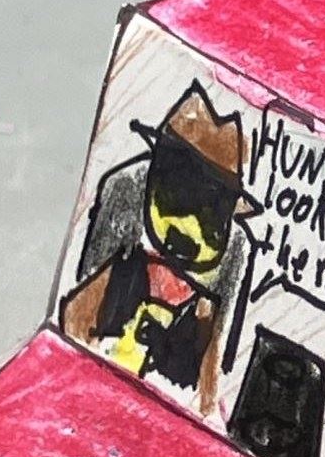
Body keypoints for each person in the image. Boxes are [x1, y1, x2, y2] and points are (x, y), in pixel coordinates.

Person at [59, 84, 257, 411]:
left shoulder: (204, 310)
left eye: (210, 218)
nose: (187, 228)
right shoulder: (123, 272)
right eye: (177, 197)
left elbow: (207, 401)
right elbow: (72, 326)